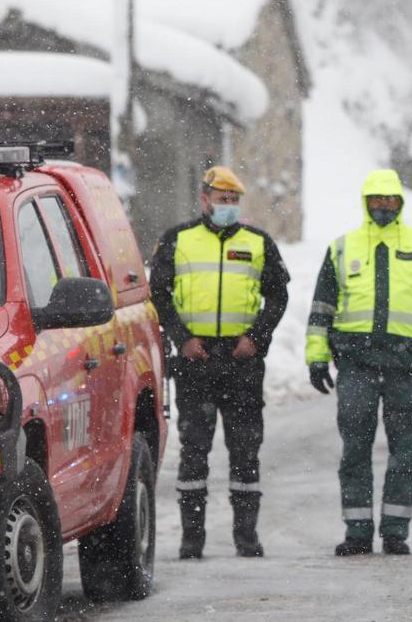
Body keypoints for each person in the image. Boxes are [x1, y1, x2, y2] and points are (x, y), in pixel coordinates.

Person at [305, 168, 412, 557]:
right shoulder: (343, 248)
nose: (384, 206)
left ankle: (395, 531)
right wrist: (317, 358)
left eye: (390, 200)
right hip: (356, 366)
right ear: (366, 202)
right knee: (354, 449)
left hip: (408, 367)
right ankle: (357, 530)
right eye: (377, 200)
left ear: (400, 203)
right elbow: (321, 308)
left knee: (405, 452)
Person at [149, 165, 290, 559]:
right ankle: (191, 541)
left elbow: (278, 297)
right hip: (196, 361)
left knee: (246, 451)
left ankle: (247, 539)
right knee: (194, 451)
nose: (227, 206)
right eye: (221, 199)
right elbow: (158, 295)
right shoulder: (178, 241)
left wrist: (256, 338)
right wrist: (182, 339)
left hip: (241, 362)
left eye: (233, 200)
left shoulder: (259, 243)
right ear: (204, 199)